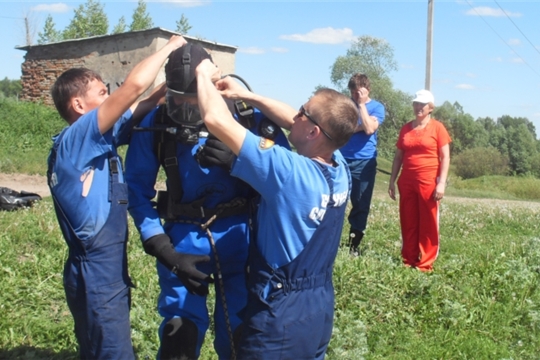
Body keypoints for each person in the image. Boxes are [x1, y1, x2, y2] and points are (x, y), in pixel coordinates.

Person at [124, 43, 289, 359]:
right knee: (179, 338)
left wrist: (243, 160)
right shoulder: (157, 127)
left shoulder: (247, 121)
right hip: (182, 243)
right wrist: (160, 245)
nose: (186, 113)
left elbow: (286, 176)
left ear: (213, 88)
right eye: (179, 103)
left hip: (242, 241)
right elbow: (135, 189)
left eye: (195, 104)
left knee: (244, 336)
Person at [195, 59, 359, 359]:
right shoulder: (340, 168)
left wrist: (202, 75)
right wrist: (248, 96)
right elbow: (294, 122)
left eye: (302, 112)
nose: (293, 116)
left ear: (313, 133)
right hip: (319, 307)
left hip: (281, 310)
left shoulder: (288, 172)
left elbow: (215, 119)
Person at [46, 35, 187, 359]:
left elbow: (143, 105)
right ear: (79, 105)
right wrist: (169, 48)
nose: (110, 98)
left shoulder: (96, 140)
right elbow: (134, 88)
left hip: (103, 268)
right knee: (111, 352)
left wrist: (174, 86)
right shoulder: (78, 137)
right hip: (96, 271)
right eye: (102, 93)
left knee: (102, 347)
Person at [388, 89, 451, 272]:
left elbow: (445, 157)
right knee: (408, 220)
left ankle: (425, 263)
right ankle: (408, 258)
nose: (418, 107)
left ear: (430, 108)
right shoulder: (406, 128)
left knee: (428, 221)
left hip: (429, 180)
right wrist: (392, 180)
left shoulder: (438, 128)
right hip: (407, 180)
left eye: (422, 105)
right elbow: (398, 156)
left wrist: (441, 183)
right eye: (416, 104)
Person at [340, 73, 385, 256]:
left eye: (359, 91)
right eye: (352, 92)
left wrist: (360, 105)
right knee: (334, 201)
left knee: (360, 204)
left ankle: (353, 245)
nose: (355, 95)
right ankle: (329, 242)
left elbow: (369, 128)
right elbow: (337, 127)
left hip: (363, 162)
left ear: (367, 90)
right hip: (341, 159)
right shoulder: (344, 105)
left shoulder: (377, 107)